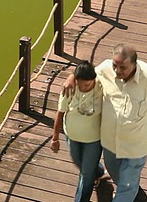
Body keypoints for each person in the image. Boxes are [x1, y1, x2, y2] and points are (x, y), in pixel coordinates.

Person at [64, 43, 147, 202]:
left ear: (134, 64)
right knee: (117, 175)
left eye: (123, 67)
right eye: (115, 65)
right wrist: (71, 76)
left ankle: (130, 191)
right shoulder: (105, 68)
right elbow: (86, 72)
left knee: (126, 185)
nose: (118, 71)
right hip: (110, 142)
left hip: (136, 144)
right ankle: (136, 192)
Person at [51, 61, 105, 202]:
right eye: (80, 84)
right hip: (72, 136)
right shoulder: (70, 88)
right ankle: (98, 171)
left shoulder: (102, 85)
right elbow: (60, 112)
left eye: (87, 85)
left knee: (86, 174)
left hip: (94, 139)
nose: (83, 87)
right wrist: (55, 138)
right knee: (79, 162)